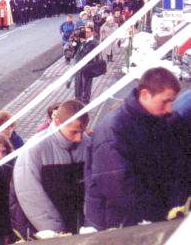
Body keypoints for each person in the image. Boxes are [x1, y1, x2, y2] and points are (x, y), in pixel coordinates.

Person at [84, 68, 188, 231]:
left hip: (152, 217)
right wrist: (163, 213)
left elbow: (177, 166)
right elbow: (121, 189)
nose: (169, 108)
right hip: (119, 223)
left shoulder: (164, 121)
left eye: (172, 102)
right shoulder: (114, 128)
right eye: (165, 101)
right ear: (145, 94)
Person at [11, 100, 90, 236]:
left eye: (82, 132)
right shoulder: (35, 148)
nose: (79, 138)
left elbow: (94, 189)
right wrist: (58, 234)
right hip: (46, 233)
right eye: (74, 132)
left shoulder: (87, 143)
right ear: (58, 123)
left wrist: (89, 224)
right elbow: (31, 196)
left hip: (81, 229)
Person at [74, 26, 98, 104]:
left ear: (92, 32)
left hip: (87, 68)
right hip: (79, 67)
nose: (86, 33)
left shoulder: (94, 42)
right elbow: (77, 52)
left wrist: (83, 42)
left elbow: (86, 53)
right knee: (78, 86)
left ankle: (85, 104)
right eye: (85, 32)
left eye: (88, 32)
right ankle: (78, 102)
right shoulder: (84, 41)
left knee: (86, 87)